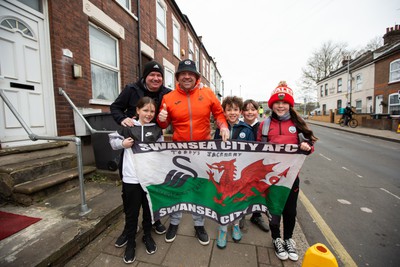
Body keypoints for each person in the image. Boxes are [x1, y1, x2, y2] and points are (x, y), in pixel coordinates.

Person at [157, 58, 230, 245]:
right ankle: (174, 222)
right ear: (178, 77)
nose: (187, 77)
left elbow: (219, 114)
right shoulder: (168, 98)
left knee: (199, 188)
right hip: (178, 152)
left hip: (202, 151)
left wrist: (223, 126)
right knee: (178, 188)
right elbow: (163, 125)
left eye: (191, 74)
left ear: (196, 77)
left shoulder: (207, 93)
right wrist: (162, 118)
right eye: (183, 74)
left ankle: (199, 224)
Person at [110, 61, 171, 248]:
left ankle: (153, 222)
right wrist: (123, 120)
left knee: (150, 193)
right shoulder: (131, 89)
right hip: (131, 142)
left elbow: (176, 111)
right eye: (152, 75)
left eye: (159, 75)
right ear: (145, 76)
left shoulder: (167, 93)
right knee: (130, 194)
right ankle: (129, 229)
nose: (155, 78)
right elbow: (115, 108)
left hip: (152, 146)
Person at [258, 81, 317, 262]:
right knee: (274, 210)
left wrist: (307, 147)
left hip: (292, 177)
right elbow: (258, 150)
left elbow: (310, 146)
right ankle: (276, 239)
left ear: (290, 104)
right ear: (272, 104)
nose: (281, 106)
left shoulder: (298, 124)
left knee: (290, 211)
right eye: (277, 102)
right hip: (271, 177)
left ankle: (288, 239)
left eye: (284, 103)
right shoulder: (264, 125)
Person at [109, 97, 163, 264]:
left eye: (152, 111)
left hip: (150, 179)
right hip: (131, 178)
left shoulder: (157, 129)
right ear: (138, 110)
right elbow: (112, 141)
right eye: (145, 110)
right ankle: (130, 242)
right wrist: (122, 144)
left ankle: (147, 236)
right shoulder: (127, 126)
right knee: (131, 212)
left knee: (148, 210)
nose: (149, 114)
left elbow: (161, 151)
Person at [213, 96, 254, 249]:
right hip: (224, 176)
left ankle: (235, 224)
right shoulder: (219, 129)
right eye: (229, 109)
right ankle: (222, 228)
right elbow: (214, 150)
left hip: (239, 174)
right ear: (224, 111)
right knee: (223, 200)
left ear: (240, 111)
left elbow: (253, 152)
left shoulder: (247, 130)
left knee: (237, 200)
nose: (232, 113)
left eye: (235, 109)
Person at [238, 99, 270, 232]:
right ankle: (240, 215)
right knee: (241, 191)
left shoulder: (263, 127)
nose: (250, 112)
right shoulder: (238, 126)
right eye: (246, 109)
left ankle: (256, 216)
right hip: (241, 167)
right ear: (242, 112)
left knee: (257, 191)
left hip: (257, 167)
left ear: (257, 111)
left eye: (253, 109)